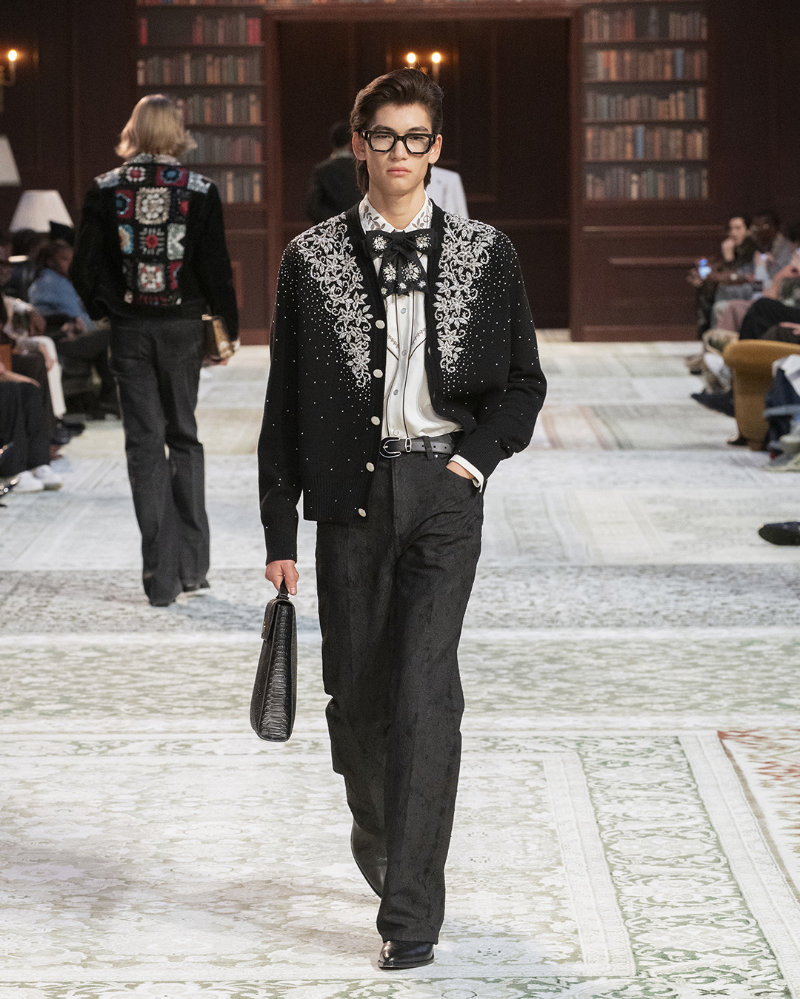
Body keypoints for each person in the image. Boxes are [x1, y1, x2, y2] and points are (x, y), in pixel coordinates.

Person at [258, 68, 546, 970]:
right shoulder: (310, 259)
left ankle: (411, 914)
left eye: (415, 137)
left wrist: (473, 463)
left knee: (426, 695)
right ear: (359, 144)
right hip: (347, 499)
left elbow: (524, 383)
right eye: (383, 136)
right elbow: (283, 405)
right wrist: (278, 533)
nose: (399, 152)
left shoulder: (487, 253)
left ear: (436, 148)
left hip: (444, 494)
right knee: (357, 698)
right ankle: (381, 833)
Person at [71, 93, 239, 607]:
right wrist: (227, 330)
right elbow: (215, 268)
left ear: (133, 130)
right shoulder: (200, 190)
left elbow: (83, 269)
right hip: (183, 327)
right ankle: (193, 569)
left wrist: (108, 309)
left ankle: (161, 580)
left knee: (144, 446)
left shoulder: (105, 188)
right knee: (183, 436)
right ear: (177, 132)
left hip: (130, 329)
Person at [305, 120, 362, 223]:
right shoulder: (362, 168)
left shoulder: (322, 170)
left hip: (331, 227)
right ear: (351, 142)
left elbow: (313, 207)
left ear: (332, 142)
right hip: (359, 225)